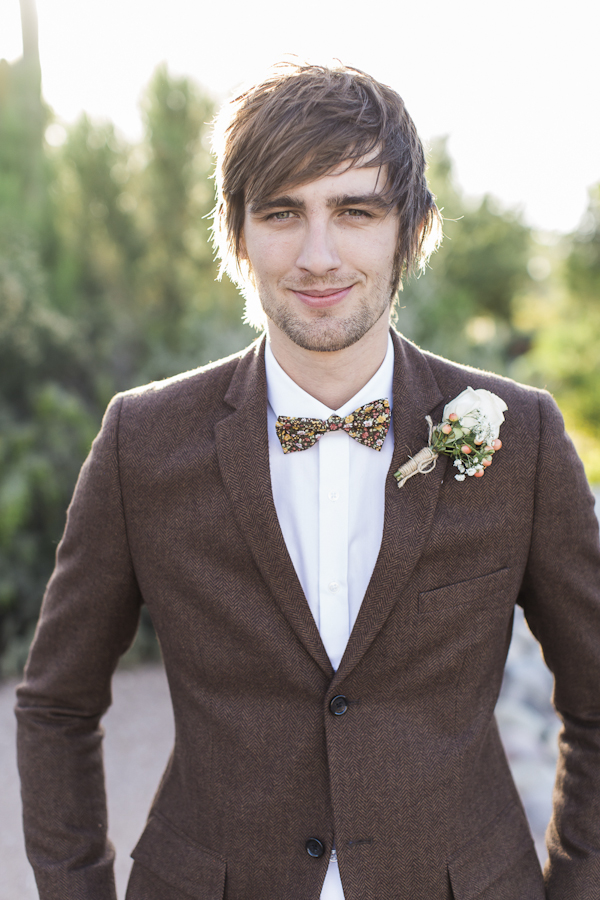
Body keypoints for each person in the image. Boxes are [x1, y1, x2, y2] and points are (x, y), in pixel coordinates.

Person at [16, 60, 600, 900]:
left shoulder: (525, 438)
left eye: (355, 211)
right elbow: (56, 709)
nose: (318, 255)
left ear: (412, 229)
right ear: (237, 233)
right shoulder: (140, 443)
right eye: (282, 211)